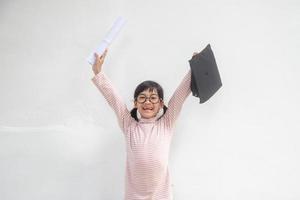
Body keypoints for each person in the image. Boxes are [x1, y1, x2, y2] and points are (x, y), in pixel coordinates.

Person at [91, 48, 198, 200]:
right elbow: (114, 99)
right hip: (134, 196)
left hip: (162, 195)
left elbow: (179, 96)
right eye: (142, 98)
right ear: (135, 103)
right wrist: (98, 73)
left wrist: (195, 67)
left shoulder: (166, 124)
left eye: (153, 98)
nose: (147, 102)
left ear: (161, 103)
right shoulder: (128, 125)